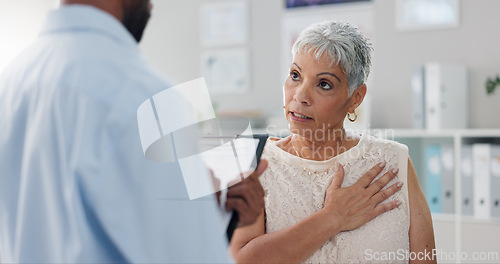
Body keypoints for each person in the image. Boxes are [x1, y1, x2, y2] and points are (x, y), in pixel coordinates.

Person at [0, 0, 267, 263]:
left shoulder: (12, 80)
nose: (150, 6)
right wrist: (218, 221)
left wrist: (201, 208)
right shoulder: (144, 96)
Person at [230, 21, 436, 263]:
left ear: (355, 98)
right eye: (295, 75)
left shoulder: (395, 162)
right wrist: (332, 217)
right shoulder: (255, 162)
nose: (300, 96)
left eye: (323, 84)